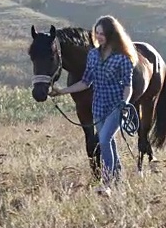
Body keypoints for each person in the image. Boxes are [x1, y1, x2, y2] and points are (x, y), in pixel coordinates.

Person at [48, 15, 138, 195]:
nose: (98, 37)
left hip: (115, 106)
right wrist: (62, 91)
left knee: (103, 139)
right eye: (96, 33)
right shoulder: (93, 55)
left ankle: (107, 183)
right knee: (109, 142)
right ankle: (119, 181)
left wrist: (124, 103)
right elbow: (86, 82)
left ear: (112, 35)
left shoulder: (123, 58)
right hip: (98, 106)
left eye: (102, 33)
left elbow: (128, 86)